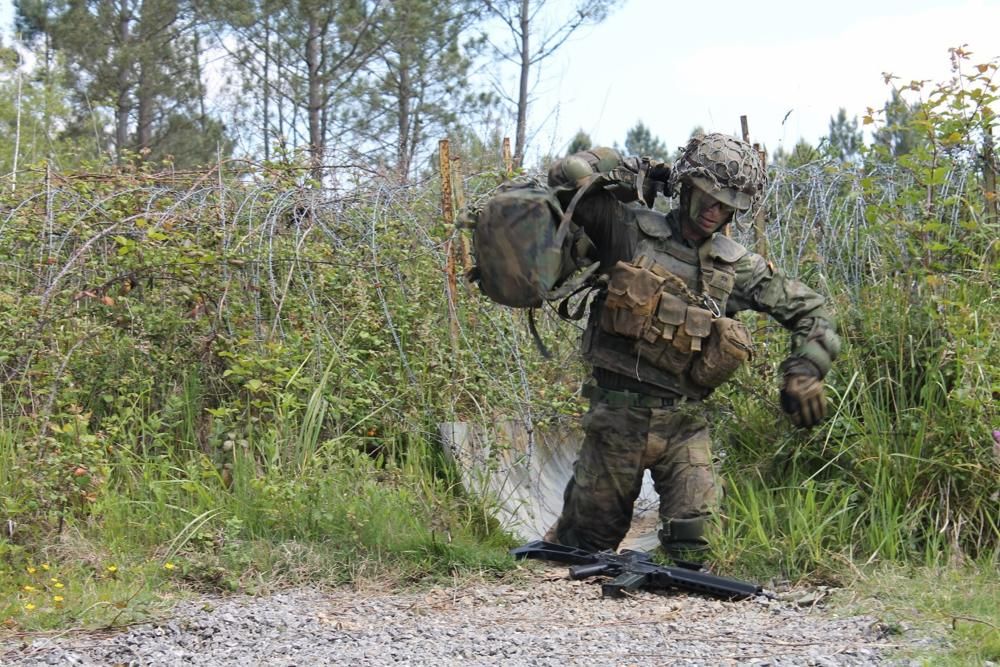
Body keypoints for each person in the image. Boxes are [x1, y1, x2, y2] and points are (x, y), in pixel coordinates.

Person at [542, 133, 840, 559]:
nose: (715, 213)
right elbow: (564, 176)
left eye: (728, 205)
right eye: (709, 198)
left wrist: (806, 371)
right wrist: (635, 171)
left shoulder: (737, 267)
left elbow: (815, 316)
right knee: (582, 548)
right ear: (687, 187)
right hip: (615, 423)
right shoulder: (627, 229)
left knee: (696, 546)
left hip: (684, 427)